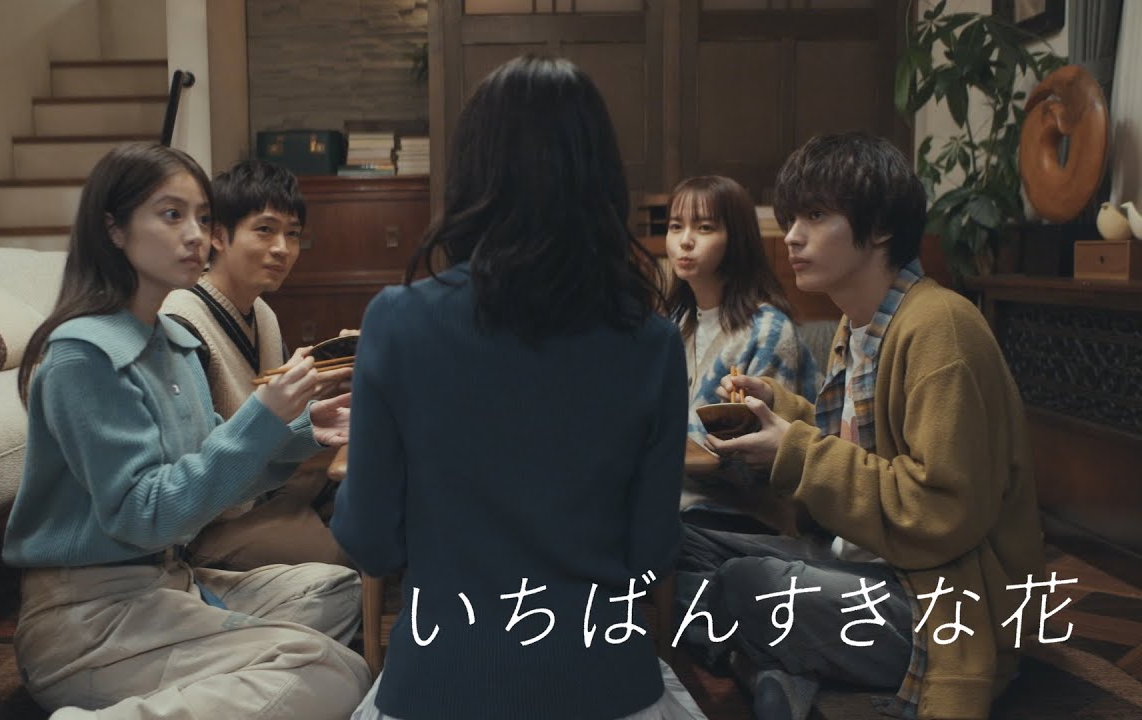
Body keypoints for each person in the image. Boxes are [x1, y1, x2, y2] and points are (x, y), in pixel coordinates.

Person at [330, 55, 705, 720]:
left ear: (472, 174)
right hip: (605, 685)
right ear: (602, 179)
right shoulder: (652, 344)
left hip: (438, 685)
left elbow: (370, 542)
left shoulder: (397, 322)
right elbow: (653, 555)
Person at [676, 132, 1044, 720]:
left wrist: (794, 451)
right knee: (673, 540)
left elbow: (942, 514)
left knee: (747, 583)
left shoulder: (940, 329)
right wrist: (783, 411)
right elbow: (856, 450)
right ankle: (780, 663)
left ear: (880, 230)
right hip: (855, 560)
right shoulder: (860, 326)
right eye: (793, 218)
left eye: (816, 216)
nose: (792, 235)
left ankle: (770, 662)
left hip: (935, 601)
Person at [1, 142, 370, 719]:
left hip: (173, 583)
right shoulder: (84, 355)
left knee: (341, 592)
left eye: (202, 217)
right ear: (114, 228)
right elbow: (146, 515)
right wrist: (264, 417)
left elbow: (215, 475)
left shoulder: (171, 343)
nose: (196, 235)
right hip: (88, 619)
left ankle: (199, 678)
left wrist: (301, 431)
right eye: (172, 215)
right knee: (330, 671)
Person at [162, 158, 350, 569]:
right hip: (210, 519)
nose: (282, 248)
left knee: (370, 502)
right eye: (265, 230)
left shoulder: (262, 314)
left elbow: (279, 429)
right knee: (342, 561)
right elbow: (191, 463)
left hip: (263, 489)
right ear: (218, 236)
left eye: (292, 234)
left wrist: (316, 401)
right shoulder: (181, 321)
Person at [663, 175, 818, 512]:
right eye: (675, 227)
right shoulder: (671, 324)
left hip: (734, 513)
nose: (685, 241)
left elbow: (762, 464)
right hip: (668, 500)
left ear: (736, 238)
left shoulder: (769, 331)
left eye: (704, 228)